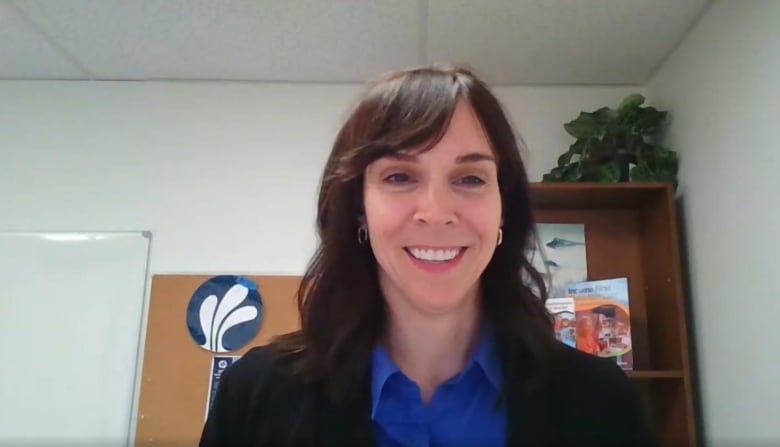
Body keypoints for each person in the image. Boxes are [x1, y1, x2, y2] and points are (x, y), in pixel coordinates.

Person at [199, 64, 656, 447]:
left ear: (504, 209)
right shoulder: (255, 395)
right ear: (359, 208)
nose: (436, 213)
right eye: (399, 176)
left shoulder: (602, 403)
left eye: (470, 179)